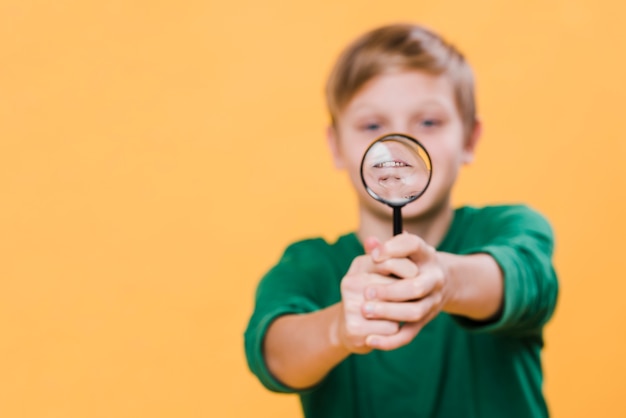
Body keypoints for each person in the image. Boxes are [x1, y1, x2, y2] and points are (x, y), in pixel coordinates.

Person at [244, 23, 558, 418]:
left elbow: (526, 280)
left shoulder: (510, 228)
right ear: (337, 147)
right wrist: (339, 326)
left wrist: (445, 280)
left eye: (428, 122)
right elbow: (274, 354)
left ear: (469, 139)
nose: (396, 145)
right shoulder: (308, 266)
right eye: (372, 126)